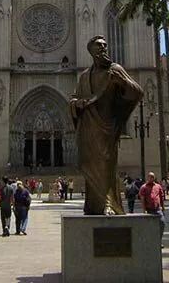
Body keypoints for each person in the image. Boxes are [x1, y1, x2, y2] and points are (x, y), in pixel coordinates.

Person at [68, 35, 143, 215]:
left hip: (107, 126)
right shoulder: (85, 76)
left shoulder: (115, 70)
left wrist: (122, 82)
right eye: (98, 46)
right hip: (89, 126)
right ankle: (94, 205)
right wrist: (75, 104)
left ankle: (109, 203)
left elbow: (137, 91)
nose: (103, 49)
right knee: (90, 165)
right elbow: (75, 97)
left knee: (106, 165)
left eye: (104, 46)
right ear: (91, 50)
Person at [138, 172, 165, 247]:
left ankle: (158, 240)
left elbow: (161, 197)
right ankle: (149, 240)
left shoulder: (158, 186)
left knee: (162, 223)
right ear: (147, 178)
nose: (151, 178)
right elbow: (142, 199)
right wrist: (144, 209)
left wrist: (163, 206)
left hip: (157, 209)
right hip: (149, 209)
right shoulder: (144, 187)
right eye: (150, 177)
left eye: (152, 177)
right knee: (149, 226)